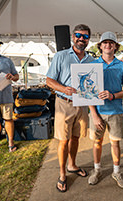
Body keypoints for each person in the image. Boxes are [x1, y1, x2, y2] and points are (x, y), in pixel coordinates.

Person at [46, 24, 94, 192]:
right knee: (63, 140)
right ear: (73, 37)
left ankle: (72, 165)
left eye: (85, 36)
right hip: (64, 103)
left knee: (76, 138)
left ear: (88, 39)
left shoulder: (91, 60)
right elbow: (49, 81)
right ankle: (62, 174)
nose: (82, 39)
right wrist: (63, 88)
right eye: (79, 35)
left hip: (82, 105)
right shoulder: (60, 56)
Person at [88, 31, 123, 189]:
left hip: (115, 112)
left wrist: (113, 95)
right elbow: (88, 93)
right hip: (97, 112)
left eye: (111, 43)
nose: (108, 45)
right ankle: (97, 170)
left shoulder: (122, 65)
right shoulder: (93, 65)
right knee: (97, 142)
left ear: (115, 47)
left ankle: (116, 172)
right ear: (100, 46)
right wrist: (94, 114)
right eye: (104, 43)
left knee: (115, 143)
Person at [0, 36, 19, 153]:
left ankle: (11, 143)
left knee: (8, 119)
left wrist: (12, 77)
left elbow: (16, 77)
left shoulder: (7, 61)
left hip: (6, 95)